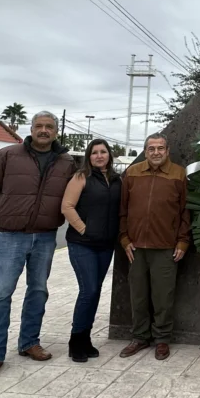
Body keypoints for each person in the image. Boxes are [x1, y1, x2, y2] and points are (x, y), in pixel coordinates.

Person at [0, 111, 76, 381]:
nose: (44, 130)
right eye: (39, 126)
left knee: (38, 291)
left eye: (49, 126)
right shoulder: (8, 155)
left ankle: (29, 342)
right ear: (30, 129)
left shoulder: (65, 161)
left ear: (56, 131)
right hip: (11, 236)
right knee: (1, 294)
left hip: (45, 236)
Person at [117, 133, 191, 361]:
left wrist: (182, 241)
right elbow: (123, 210)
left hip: (166, 248)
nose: (156, 153)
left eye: (160, 148)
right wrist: (124, 239)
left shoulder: (179, 174)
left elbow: (186, 212)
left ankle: (162, 339)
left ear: (167, 151)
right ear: (145, 151)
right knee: (137, 296)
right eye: (151, 149)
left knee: (163, 298)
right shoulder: (132, 172)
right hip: (136, 248)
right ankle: (139, 337)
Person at [61, 138, 122, 363]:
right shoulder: (80, 177)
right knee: (88, 290)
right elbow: (66, 206)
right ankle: (75, 341)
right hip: (82, 244)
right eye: (94, 152)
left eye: (103, 152)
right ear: (89, 156)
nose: (99, 156)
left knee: (95, 290)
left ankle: (85, 338)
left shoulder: (116, 180)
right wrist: (84, 230)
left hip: (105, 245)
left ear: (109, 155)